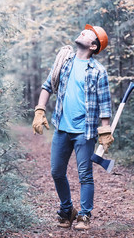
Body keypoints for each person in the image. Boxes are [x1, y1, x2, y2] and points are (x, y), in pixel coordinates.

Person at [32, 24, 114, 230]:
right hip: (61, 128)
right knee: (56, 172)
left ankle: (84, 215)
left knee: (85, 175)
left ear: (94, 46)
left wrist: (105, 131)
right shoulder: (65, 62)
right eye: (84, 31)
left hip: (84, 132)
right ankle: (67, 210)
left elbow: (105, 104)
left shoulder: (98, 71)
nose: (83, 32)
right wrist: (40, 110)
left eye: (89, 33)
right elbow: (47, 85)